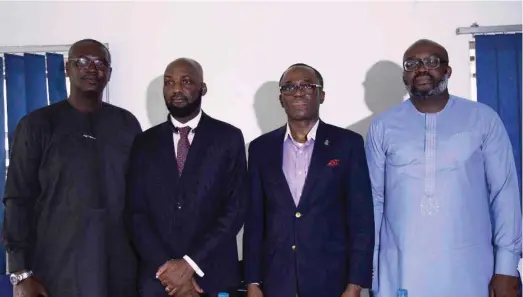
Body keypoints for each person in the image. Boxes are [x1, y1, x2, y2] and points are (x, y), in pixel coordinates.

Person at [366, 39, 522, 297]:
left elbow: (504, 194)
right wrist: (370, 271)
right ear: (405, 75)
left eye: (432, 61)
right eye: (412, 64)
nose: (421, 69)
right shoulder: (383, 126)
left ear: (448, 70)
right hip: (401, 269)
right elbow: (374, 200)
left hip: (471, 269)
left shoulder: (483, 119)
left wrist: (506, 267)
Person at [2, 39, 142, 297]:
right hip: (58, 269)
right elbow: (17, 200)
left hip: (119, 268)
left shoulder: (126, 124)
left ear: (109, 73)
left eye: (100, 63)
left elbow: (140, 197)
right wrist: (20, 272)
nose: (92, 68)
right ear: (67, 68)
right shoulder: (37, 125)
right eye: (83, 62)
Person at [243, 63, 375, 297]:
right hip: (277, 281)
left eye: (307, 85)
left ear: (321, 95)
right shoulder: (261, 149)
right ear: (281, 98)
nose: (298, 92)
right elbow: (255, 221)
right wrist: (252, 281)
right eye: (289, 87)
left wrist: (355, 284)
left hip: (331, 281)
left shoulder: (347, 145)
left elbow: (361, 220)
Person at [127, 58, 248, 297]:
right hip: (158, 279)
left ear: (202, 88)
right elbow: (135, 213)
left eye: (186, 81)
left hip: (211, 276)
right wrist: (168, 270)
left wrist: (190, 263)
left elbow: (235, 208)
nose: (176, 89)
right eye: (169, 82)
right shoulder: (144, 143)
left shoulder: (228, 138)